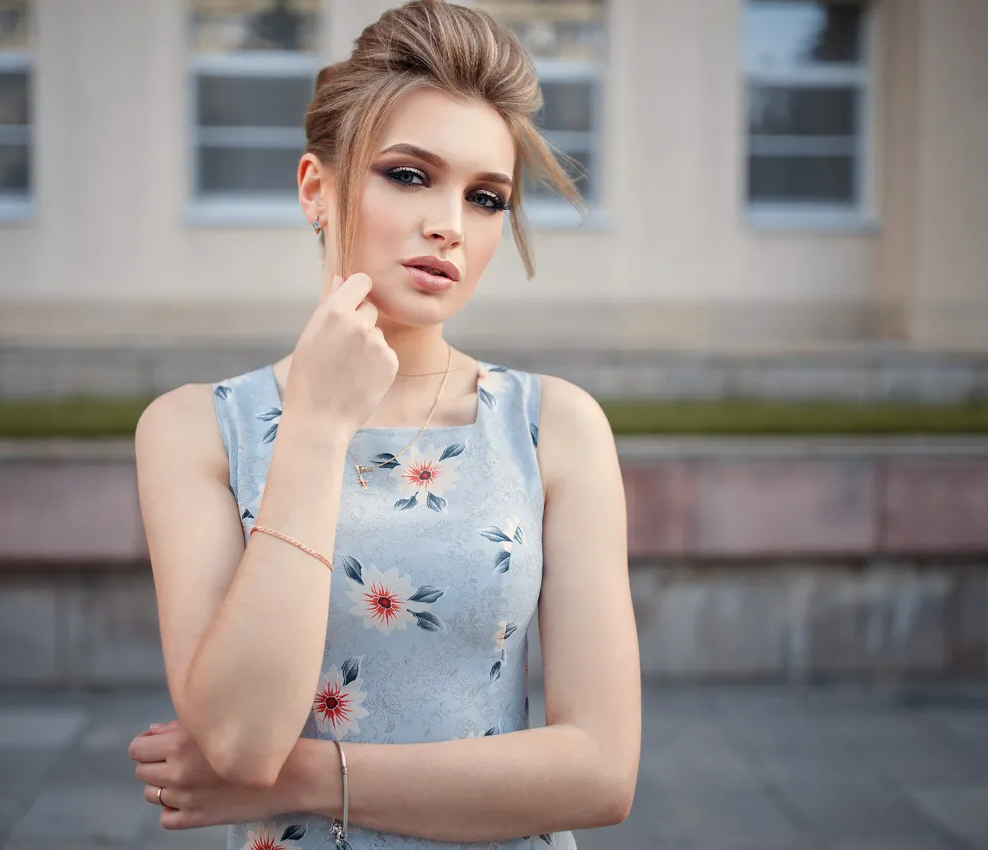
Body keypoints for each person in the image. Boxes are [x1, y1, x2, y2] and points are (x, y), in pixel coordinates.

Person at [128, 1, 640, 846]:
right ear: (316, 190)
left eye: (486, 197)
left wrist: (308, 778)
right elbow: (242, 740)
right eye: (409, 175)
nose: (450, 224)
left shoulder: (554, 426)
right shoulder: (195, 430)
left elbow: (601, 771)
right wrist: (316, 425)